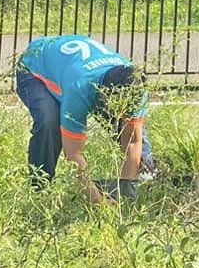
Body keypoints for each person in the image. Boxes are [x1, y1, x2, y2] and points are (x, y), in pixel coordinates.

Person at [16, 34, 149, 202]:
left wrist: (127, 191)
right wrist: (98, 202)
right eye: (116, 107)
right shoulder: (79, 88)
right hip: (35, 64)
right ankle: (40, 190)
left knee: (131, 131)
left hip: (72, 65)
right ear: (104, 97)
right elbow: (73, 154)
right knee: (49, 121)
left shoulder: (136, 85)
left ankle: (147, 179)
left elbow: (132, 141)